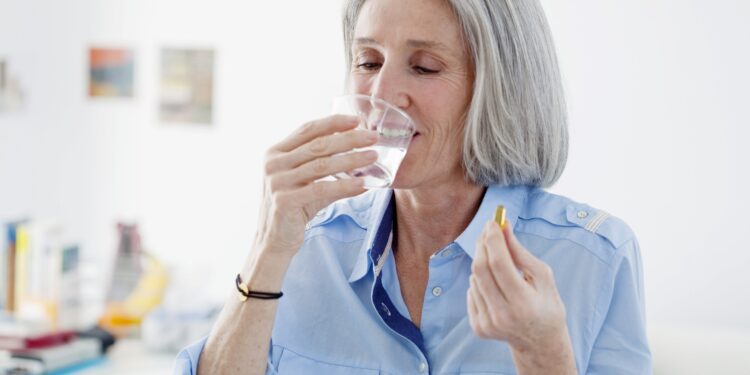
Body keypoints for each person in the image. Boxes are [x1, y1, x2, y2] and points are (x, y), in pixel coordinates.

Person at [175, 0, 652, 373]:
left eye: (423, 67)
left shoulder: (594, 258)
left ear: (498, 89)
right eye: (368, 61)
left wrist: (542, 354)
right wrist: (267, 252)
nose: (381, 95)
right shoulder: (307, 246)